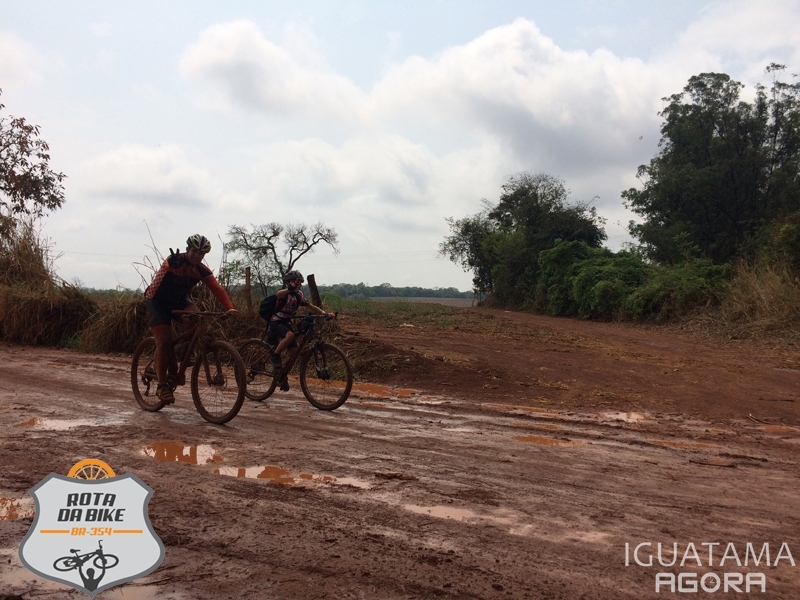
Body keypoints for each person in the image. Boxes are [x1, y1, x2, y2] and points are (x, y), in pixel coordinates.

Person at [144, 234, 238, 404]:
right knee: (163, 342)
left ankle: (183, 350)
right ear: (187, 249)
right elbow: (167, 265)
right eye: (194, 251)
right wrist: (172, 264)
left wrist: (229, 308)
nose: (197, 255)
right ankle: (162, 386)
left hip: (179, 302)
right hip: (156, 302)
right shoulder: (175, 260)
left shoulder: (201, 270)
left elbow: (217, 289)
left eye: (201, 253)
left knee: (198, 318)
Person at [268, 270, 333, 391]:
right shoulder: (284, 293)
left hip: (287, 323)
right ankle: (275, 356)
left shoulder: (299, 296)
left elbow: (311, 306)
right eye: (295, 282)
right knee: (290, 336)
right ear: (289, 282)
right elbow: (278, 294)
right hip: (276, 322)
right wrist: (289, 289)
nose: (298, 285)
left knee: (294, 353)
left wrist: (325, 313)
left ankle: (281, 375)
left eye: (299, 283)